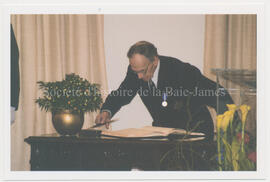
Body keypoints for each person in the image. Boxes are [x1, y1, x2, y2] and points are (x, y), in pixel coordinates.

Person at [95, 41, 234, 140]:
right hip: (163, 134)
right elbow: (123, 93)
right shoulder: (135, 72)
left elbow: (218, 93)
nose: (139, 77)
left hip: (195, 134)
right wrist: (107, 110)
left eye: (142, 71)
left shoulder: (181, 70)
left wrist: (233, 130)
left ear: (154, 61)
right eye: (135, 71)